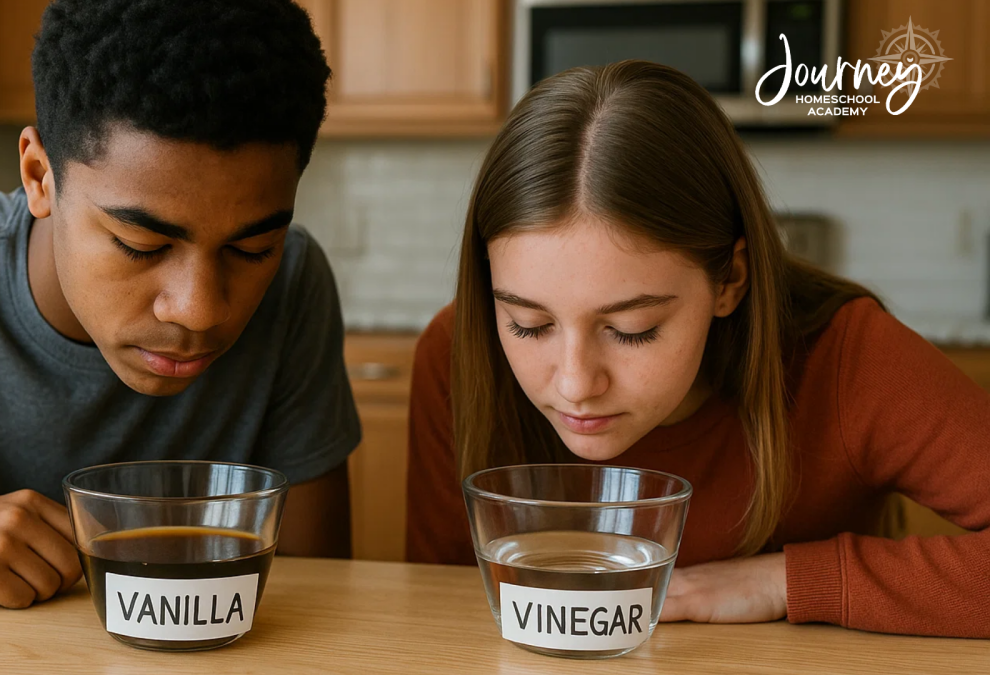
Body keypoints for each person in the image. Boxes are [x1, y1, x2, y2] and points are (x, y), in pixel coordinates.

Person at [0, 0, 360, 609]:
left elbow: (319, 579)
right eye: (141, 245)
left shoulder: (295, 282)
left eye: (252, 248)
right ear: (39, 177)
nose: (199, 310)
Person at [406, 61, 990, 638]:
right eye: (529, 324)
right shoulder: (460, 353)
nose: (575, 384)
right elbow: (436, 608)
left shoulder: (848, 360)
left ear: (729, 280)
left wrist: (784, 581)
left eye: (632, 328)